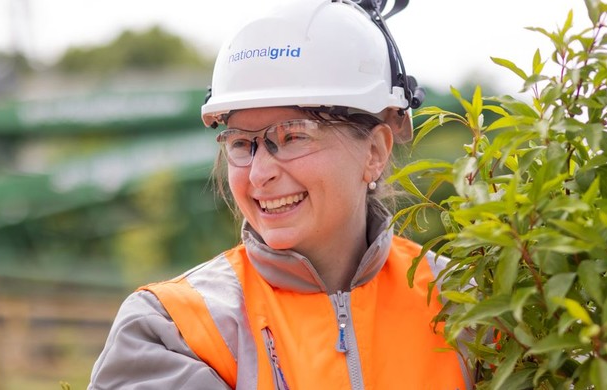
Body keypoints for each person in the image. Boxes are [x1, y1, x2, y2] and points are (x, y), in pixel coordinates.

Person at [88, 0, 471, 388]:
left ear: (374, 152)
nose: (259, 173)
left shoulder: (467, 303)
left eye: (291, 137)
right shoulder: (172, 329)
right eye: (240, 144)